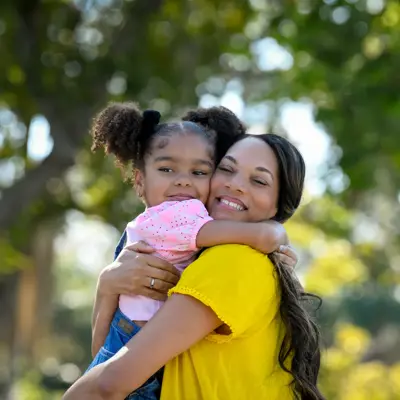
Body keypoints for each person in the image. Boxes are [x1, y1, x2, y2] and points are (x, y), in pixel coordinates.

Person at [63, 115, 325, 399]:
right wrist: (107, 287)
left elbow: (108, 383)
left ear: (280, 205)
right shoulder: (205, 252)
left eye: (259, 180)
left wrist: (273, 232)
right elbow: (106, 364)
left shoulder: (232, 260)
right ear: (140, 180)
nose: (235, 185)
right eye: (227, 169)